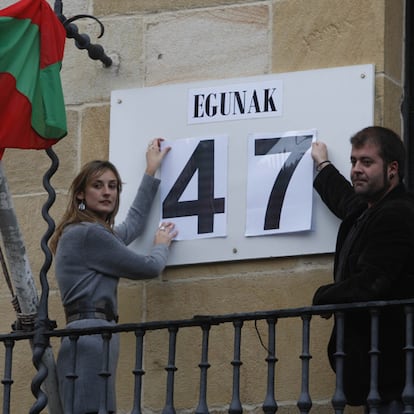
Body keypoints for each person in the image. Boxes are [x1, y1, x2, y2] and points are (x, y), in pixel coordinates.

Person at [49, 138, 178, 414]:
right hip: (91, 336)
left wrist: (150, 171)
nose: (108, 193)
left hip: (94, 335)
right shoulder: (87, 233)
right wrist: (161, 246)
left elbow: (132, 224)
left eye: (113, 186)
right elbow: (149, 268)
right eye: (98, 186)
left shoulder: (90, 234)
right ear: (81, 194)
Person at [311, 126, 414, 413]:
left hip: (397, 378)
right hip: (378, 377)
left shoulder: (397, 213)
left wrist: (322, 298)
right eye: (354, 161)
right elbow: (344, 199)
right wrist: (323, 164)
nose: (356, 169)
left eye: (366, 162)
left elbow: (371, 282)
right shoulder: (370, 209)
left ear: (392, 169)